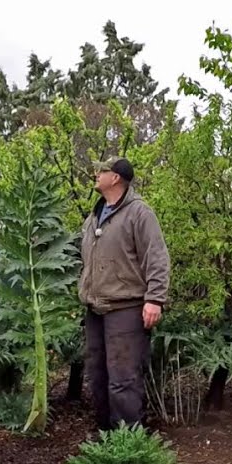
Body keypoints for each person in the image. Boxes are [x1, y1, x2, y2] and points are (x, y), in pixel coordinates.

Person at [79, 157, 170, 431]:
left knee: (123, 380)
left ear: (116, 177)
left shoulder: (139, 213)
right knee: (97, 377)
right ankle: (106, 441)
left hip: (126, 309)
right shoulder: (95, 215)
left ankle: (128, 445)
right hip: (96, 309)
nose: (96, 174)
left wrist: (155, 298)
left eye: (101, 170)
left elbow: (157, 257)